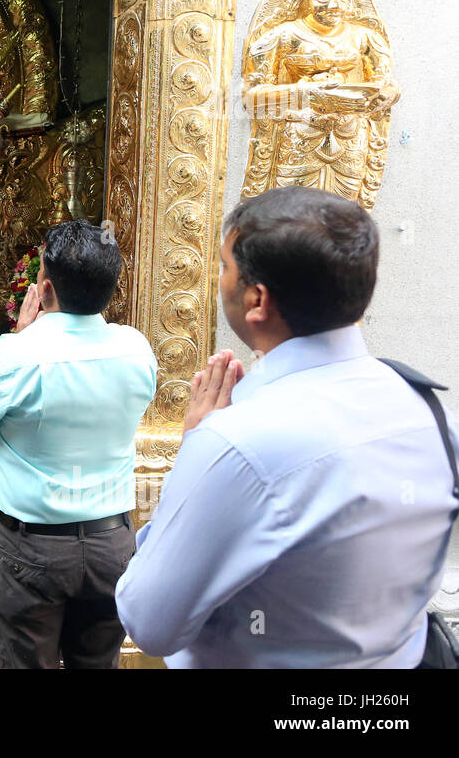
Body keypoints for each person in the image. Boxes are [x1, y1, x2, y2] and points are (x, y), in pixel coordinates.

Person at [115, 186, 459, 667]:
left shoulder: (236, 443)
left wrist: (193, 454)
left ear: (256, 299)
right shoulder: (429, 411)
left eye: (223, 267)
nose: (219, 279)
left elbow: (149, 622)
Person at [0, 220, 156, 668]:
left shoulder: (20, 354)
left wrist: (20, 337)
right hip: (112, 547)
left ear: (44, 288)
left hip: (32, 553)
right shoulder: (136, 349)